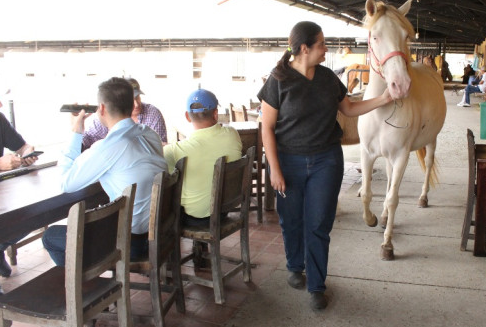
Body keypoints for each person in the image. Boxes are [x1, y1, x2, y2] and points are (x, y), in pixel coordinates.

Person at [257, 21, 393, 311]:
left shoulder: (328, 78)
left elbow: (349, 109)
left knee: (319, 223)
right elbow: (266, 128)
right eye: (321, 43)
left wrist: (384, 98)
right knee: (291, 219)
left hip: (326, 160)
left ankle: (317, 285)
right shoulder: (278, 80)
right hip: (289, 162)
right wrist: (275, 168)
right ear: (304, 48)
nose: (326, 48)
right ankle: (295, 265)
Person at [42, 77, 168, 266]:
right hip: (158, 233)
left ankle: (81, 289)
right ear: (131, 103)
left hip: (129, 243)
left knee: (50, 236)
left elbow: (66, 183)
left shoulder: (108, 146)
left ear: (101, 108)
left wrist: (76, 131)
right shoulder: (150, 135)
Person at [163, 89, 242, 227]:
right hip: (225, 209)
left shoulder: (175, 151)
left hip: (195, 217)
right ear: (216, 113)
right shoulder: (233, 134)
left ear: (187, 116)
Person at [0, 95, 40, 290]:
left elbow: (22, 146)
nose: (0, 104)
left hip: (2, 191)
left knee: (34, 212)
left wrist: (26, 154)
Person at [82, 78, 168, 149]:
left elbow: (160, 148)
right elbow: (87, 139)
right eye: (131, 100)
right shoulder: (109, 115)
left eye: (138, 97)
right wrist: (77, 131)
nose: (136, 104)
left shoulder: (153, 114)